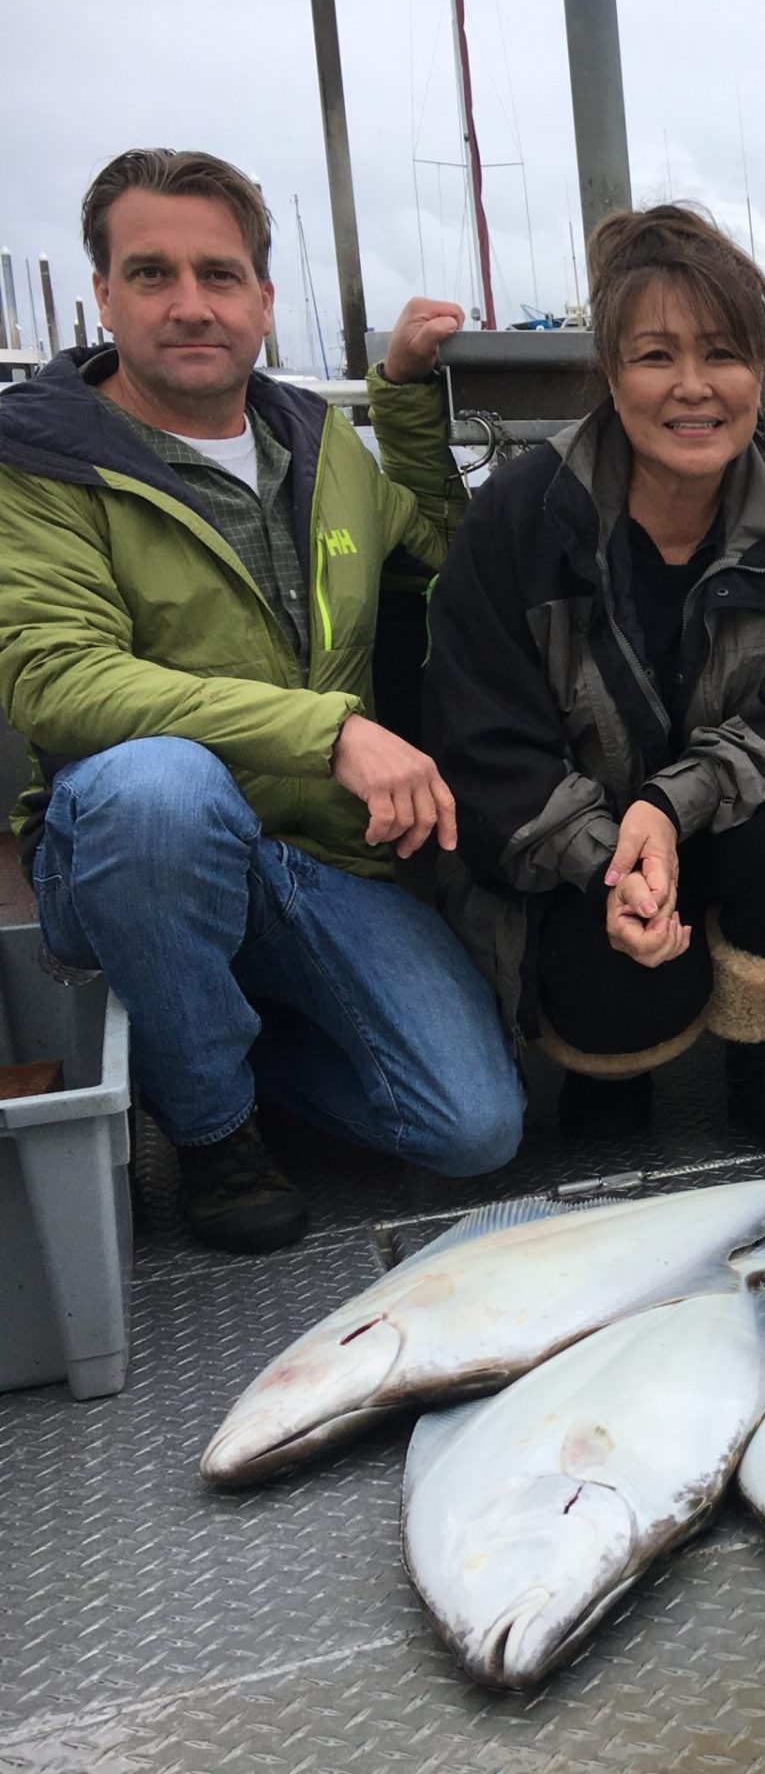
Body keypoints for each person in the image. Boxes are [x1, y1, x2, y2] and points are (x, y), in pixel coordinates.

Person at [0, 147, 520, 1254]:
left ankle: (219, 1046)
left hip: (318, 856)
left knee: (472, 1129)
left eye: (219, 275)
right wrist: (328, 728)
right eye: (151, 274)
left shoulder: (322, 445)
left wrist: (403, 397)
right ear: (102, 294)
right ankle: (211, 1130)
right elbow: (57, 678)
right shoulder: (38, 462)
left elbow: (447, 555)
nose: (190, 305)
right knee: (158, 791)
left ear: (264, 301)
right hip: (133, 848)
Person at [423, 205, 765, 1164]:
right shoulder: (519, 517)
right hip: (586, 849)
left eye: (722, 353)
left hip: (740, 824)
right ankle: (614, 1068)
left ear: (759, 369)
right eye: (654, 357)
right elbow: (482, 740)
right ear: (609, 373)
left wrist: (671, 807)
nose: (692, 388)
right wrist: (613, 856)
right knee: (606, 985)